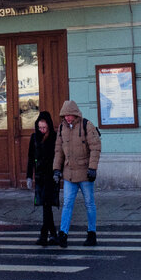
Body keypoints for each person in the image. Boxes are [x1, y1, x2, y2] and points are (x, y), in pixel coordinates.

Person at [52, 99, 101, 247]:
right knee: (67, 204)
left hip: (85, 173)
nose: (67, 117)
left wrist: (93, 168)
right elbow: (58, 151)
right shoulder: (61, 128)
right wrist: (56, 169)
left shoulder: (87, 125)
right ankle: (63, 234)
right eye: (65, 115)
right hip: (69, 174)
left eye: (69, 115)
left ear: (75, 114)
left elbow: (95, 147)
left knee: (89, 204)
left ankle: (91, 233)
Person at [26, 110, 59, 246]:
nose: (42, 130)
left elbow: (59, 157)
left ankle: (44, 235)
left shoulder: (54, 137)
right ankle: (53, 234)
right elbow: (30, 158)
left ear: (49, 126)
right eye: (40, 127)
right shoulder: (34, 137)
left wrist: (58, 172)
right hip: (40, 177)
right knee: (46, 206)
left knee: (46, 205)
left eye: (44, 127)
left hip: (51, 177)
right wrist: (29, 176)